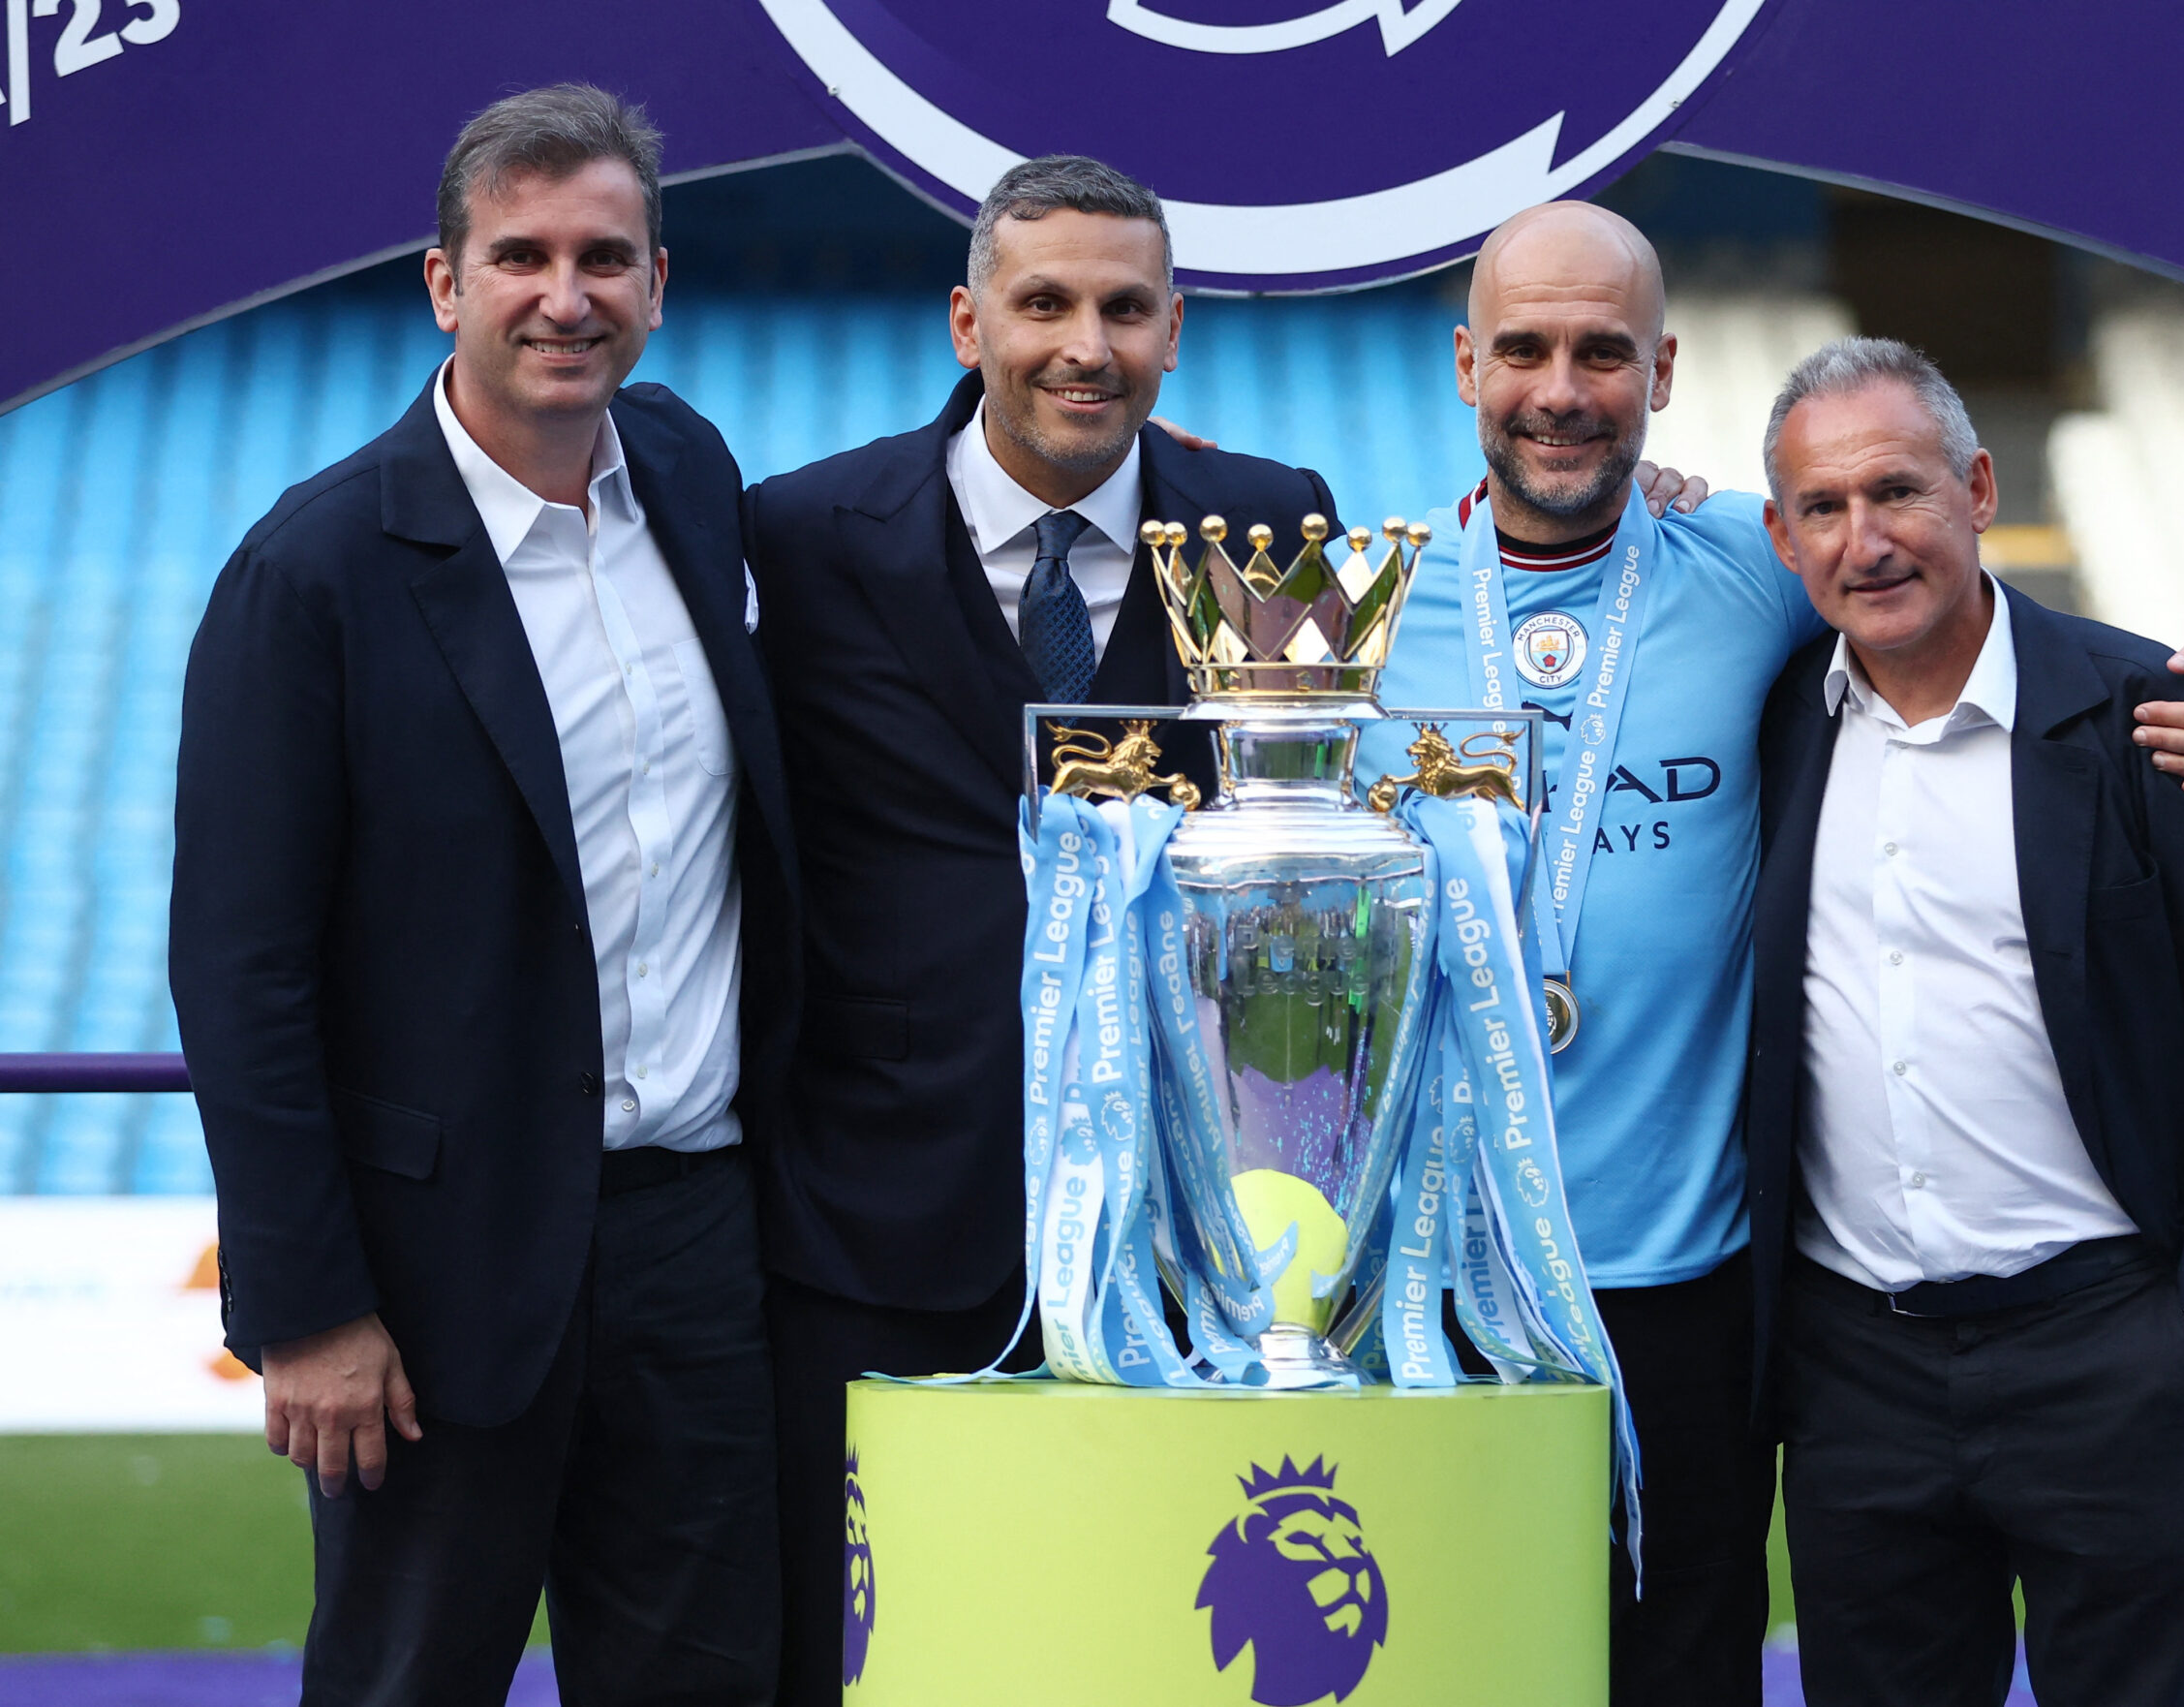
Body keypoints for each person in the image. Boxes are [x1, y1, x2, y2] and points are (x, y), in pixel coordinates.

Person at [1359, 202, 2184, 1704]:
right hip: (1449, 1289)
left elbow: (1991, 624)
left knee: (1689, 1673)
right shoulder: (1358, 601)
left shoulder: (1750, 563)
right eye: (1523, 347)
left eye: (1603, 351)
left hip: (1706, 1301)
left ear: (1662, 368)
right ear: (1467, 364)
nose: (1562, 386)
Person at [169, 85, 796, 1706]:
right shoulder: (311, 574)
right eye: (519, 256)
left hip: (695, 1236)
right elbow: (243, 970)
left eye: (605, 256)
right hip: (438, 1276)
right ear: (444, 285)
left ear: (661, 282)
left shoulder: (690, 469)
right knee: (407, 1682)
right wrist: (305, 1311)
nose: (564, 297)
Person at [740, 154, 1337, 1706]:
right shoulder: (796, 539)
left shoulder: (1274, 534)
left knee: (1151, 1654)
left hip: (1194, 1242)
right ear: (967, 320)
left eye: (1126, 308)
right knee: (867, 1660)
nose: (1088, 343)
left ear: (1175, 329)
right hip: (874, 1227)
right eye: (1046, 302)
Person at [1745, 337, 2184, 1707]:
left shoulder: (2154, 717)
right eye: (1822, 508)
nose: (1864, 539)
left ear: (1981, 486)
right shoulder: (1768, 720)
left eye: (1898, 491)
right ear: (1778, 535)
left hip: (2111, 1353)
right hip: (1855, 1373)